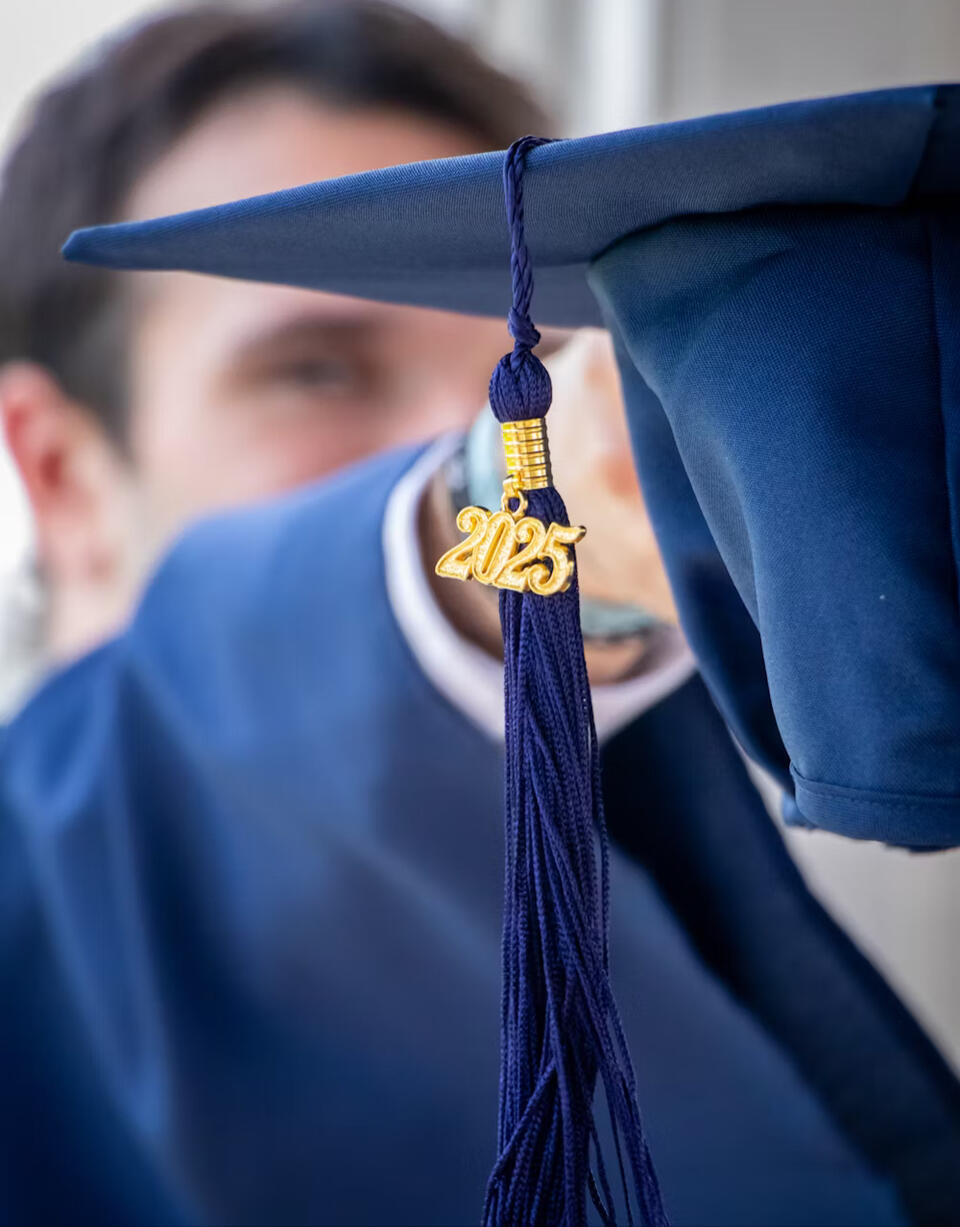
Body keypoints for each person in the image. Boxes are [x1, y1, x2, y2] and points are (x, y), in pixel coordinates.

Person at [1, 5, 958, 1225]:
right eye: (317, 371)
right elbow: (237, 683)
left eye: (515, 370)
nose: (434, 441)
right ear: (64, 477)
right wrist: (592, 464)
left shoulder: (674, 842)